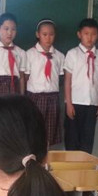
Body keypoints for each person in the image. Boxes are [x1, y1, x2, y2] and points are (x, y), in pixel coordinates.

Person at [63, 18, 98, 153]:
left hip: (92, 104)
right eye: (86, 34)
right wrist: (69, 104)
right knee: (72, 139)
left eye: (93, 34)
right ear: (79, 34)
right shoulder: (72, 54)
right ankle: (71, 166)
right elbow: (67, 80)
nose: (90, 38)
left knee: (87, 140)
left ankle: (85, 165)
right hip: (75, 103)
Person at [24, 19, 65, 147]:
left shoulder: (59, 56)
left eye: (51, 34)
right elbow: (25, 77)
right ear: (38, 34)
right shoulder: (29, 54)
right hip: (34, 97)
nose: (48, 38)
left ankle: (46, 156)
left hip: (52, 98)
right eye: (44, 34)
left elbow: (61, 78)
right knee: (34, 131)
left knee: (49, 133)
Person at [0, 13, 26, 97]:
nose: (10, 33)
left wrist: (22, 97)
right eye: (6, 29)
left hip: (14, 88)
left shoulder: (20, 52)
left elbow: (22, 77)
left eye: (13, 29)